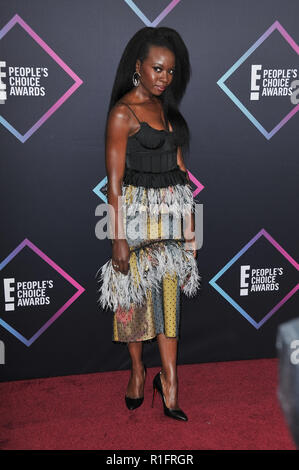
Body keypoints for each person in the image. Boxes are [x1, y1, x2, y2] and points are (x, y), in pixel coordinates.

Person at [96, 26, 201, 421]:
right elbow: (114, 183)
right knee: (134, 301)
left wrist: (192, 228)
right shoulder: (122, 113)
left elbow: (180, 170)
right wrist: (117, 239)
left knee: (168, 298)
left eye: (170, 71)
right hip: (136, 217)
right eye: (157, 69)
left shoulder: (166, 109)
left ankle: (170, 382)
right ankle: (138, 369)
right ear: (137, 67)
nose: (164, 78)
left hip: (170, 217)